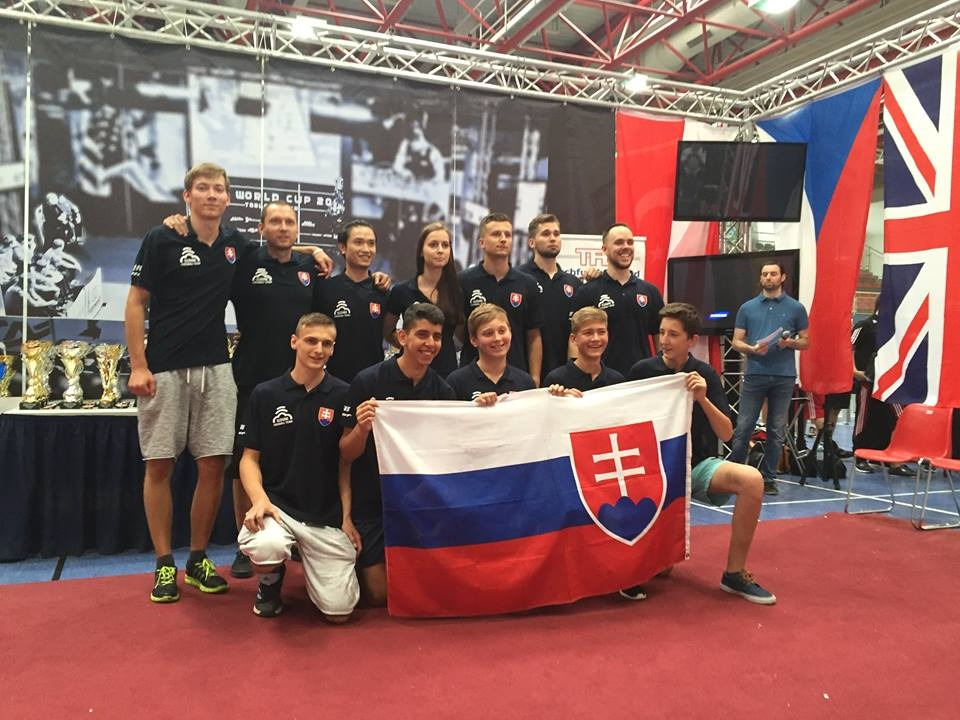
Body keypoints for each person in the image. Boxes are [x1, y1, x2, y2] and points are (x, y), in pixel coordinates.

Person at [161, 200, 338, 580]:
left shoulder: (308, 267)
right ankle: (249, 538)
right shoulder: (245, 259)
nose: (283, 227)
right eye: (275, 221)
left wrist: (313, 249)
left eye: (289, 222)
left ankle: (296, 533)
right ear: (261, 228)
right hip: (251, 376)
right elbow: (210, 243)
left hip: (301, 380)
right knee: (245, 460)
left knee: (297, 455)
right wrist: (179, 223)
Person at [124, 163, 250, 603]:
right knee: (159, 465)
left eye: (219, 188)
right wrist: (138, 366)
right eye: (203, 188)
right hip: (164, 368)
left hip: (216, 368)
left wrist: (314, 250)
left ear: (228, 198)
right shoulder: (162, 238)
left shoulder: (235, 245)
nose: (212, 194)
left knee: (213, 465)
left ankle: (197, 559)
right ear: (187, 195)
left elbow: (279, 245)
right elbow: (136, 303)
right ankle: (164, 564)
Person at [630, 302, 775, 605]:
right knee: (661, 568)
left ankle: (734, 573)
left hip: (695, 465)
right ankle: (639, 563)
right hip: (650, 470)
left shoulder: (704, 373)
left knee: (752, 480)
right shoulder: (642, 371)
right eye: (662, 333)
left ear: (692, 340)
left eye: (673, 334)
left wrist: (703, 399)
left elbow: (727, 433)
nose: (664, 340)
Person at [236, 313, 359, 620]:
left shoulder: (343, 394)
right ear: (295, 342)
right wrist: (259, 500)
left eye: (327, 344)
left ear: (333, 348)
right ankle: (270, 581)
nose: (319, 349)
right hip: (278, 509)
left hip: (323, 515)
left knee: (340, 613)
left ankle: (313, 563)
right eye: (311, 341)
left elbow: (345, 464)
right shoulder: (265, 394)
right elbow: (249, 458)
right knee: (266, 547)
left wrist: (346, 517)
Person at [339, 303, 456, 606]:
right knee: (379, 595)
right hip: (373, 503)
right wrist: (362, 429)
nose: (430, 343)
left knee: (433, 583)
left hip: (419, 502)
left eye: (437, 336)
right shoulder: (368, 382)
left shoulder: (442, 391)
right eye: (422, 335)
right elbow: (346, 454)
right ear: (402, 337)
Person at [728, 262, 809, 496]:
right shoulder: (747, 308)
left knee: (776, 429)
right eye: (764, 274)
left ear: (782, 277)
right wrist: (752, 349)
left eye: (773, 274)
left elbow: (806, 341)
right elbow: (736, 341)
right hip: (755, 373)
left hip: (784, 375)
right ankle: (734, 475)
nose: (768, 277)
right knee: (744, 427)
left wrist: (789, 343)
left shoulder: (796, 308)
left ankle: (769, 478)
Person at [458, 213, 543, 383]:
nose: (503, 239)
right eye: (496, 234)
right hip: (473, 376)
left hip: (516, 375)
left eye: (508, 235)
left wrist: (535, 377)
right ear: (481, 242)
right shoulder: (463, 280)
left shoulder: (527, 283)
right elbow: (459, 330)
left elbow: (533, 336)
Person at [572, 223, 664, 375]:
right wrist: (576, 375)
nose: (626, 247)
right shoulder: (588, 291)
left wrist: (663, 371)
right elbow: (575, 338)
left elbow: (659, 336)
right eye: (619, 242)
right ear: (604, 249)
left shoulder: (650, 292)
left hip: (642, 379)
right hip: (601, 379)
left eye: (630, 242)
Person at [383, 221, 463, 377]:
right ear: (421, 251)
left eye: (445, 245)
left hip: (446, 373)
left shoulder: (457, 292)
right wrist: (410, 346)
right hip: (410, 372)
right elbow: (387, 331)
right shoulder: (402, 291)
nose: (440, 250)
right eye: (433, 245)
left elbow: (462, 335)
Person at [316, 220, 389, 383]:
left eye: (371, 243)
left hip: (373, 383)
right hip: (333, 382)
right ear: (343, 247)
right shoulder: (325, 289)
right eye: (358, 242)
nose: (366, 249)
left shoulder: (382, 291)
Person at [517, 214, 582, 377]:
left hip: (564, 373)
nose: (552, 238)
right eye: (546, 234)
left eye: (556, 234)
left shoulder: (574, 283)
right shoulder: (518, 279)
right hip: (525, 372)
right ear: (531, 242)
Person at [447, 304, 535, 402]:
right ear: (474, 340)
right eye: (488, 333)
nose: (497, 338)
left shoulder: (525, 382)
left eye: (502, 331)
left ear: (510, 333)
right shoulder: (457, 382)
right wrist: (474, 407)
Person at [543, 307, 625, 392]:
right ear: (574, 339)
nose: (596, 339)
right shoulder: (556, 380)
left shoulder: (617, 380)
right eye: (588, 333)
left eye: (601, 332)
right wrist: (559, 397)